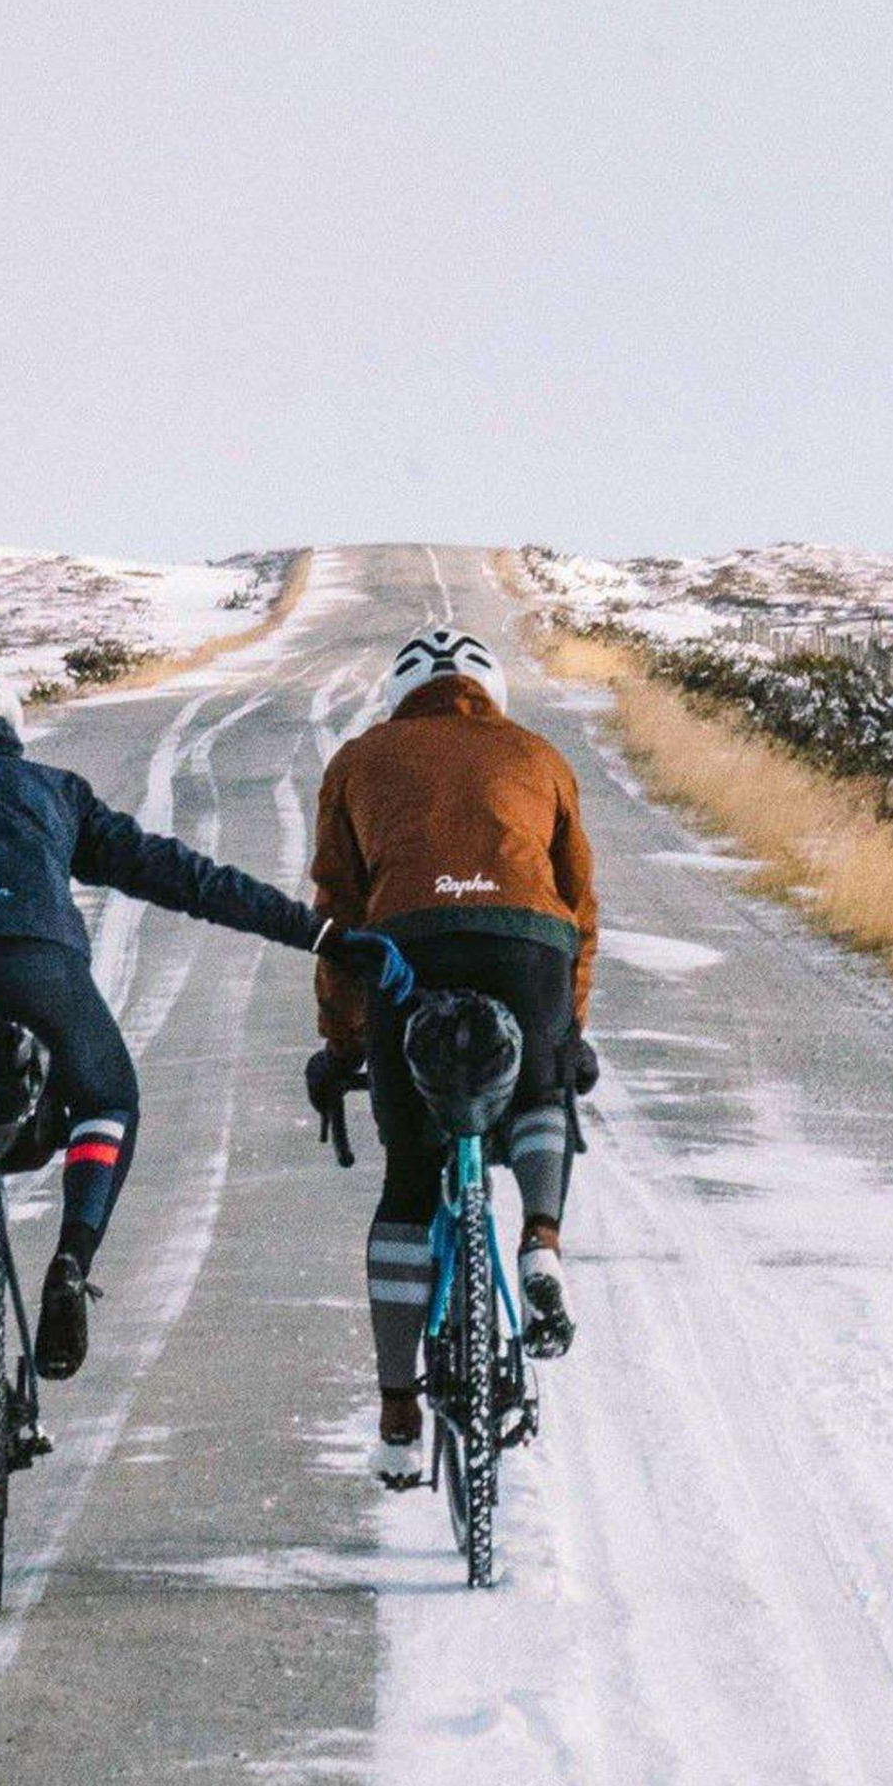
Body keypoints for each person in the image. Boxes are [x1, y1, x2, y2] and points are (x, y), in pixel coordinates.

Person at [0, 646, 324, 1514]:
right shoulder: (51, 788)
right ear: (5, 717)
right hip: (38, 972)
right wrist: (308, 929)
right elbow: (177, 875)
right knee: (107, 1098)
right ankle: (70, 1265)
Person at [310, 625, 599, 1482]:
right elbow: (579, 907)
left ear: (402, 695)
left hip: (410, 945)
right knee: (540, 1095)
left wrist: (344, 1042)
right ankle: (541, 1238)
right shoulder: (539, 754)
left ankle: (398, 1415)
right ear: (491, 689)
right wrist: (567, 1032)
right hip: (527, 943)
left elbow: (339, 914)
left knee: (410, 1175)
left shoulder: (360, 759)